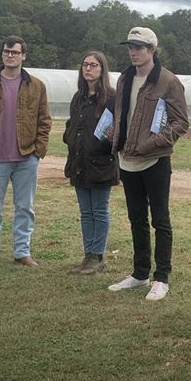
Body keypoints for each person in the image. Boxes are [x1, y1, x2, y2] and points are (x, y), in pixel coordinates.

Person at [107, 27, 189, 301]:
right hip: (127, 159)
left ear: (152, 50)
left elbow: (180, 122)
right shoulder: (124, 79)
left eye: (139, 47)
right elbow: (121, 113)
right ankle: (140, 273)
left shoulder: (168, 81)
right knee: (136, 219)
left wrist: (153, 142)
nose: (133, 52)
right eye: (130, 46)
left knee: (160, 220)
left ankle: (161, 277)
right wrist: (116, 136)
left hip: (155, 160)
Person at [0, 35, 52, 269]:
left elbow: (44, 120)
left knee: (25, 208)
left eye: (15, 52)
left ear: (23, 56)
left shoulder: (36, 86)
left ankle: (22, 252)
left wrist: (38, 152)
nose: (10, 56)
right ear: (2, 54)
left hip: (26, 158)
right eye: (7, 51)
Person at [63, 51, 118, 275]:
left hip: (101, 163)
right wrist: (69, 137)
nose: (88, 69)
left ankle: (98, 256)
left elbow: (117, 130)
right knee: (85, 211)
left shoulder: (112, 98)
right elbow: (72, 125)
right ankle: (88, 255)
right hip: (79, 162)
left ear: (102, 70)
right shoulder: (79, 98)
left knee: (99, 210)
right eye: (85, 64)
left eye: (94, 65)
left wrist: (104, 144)